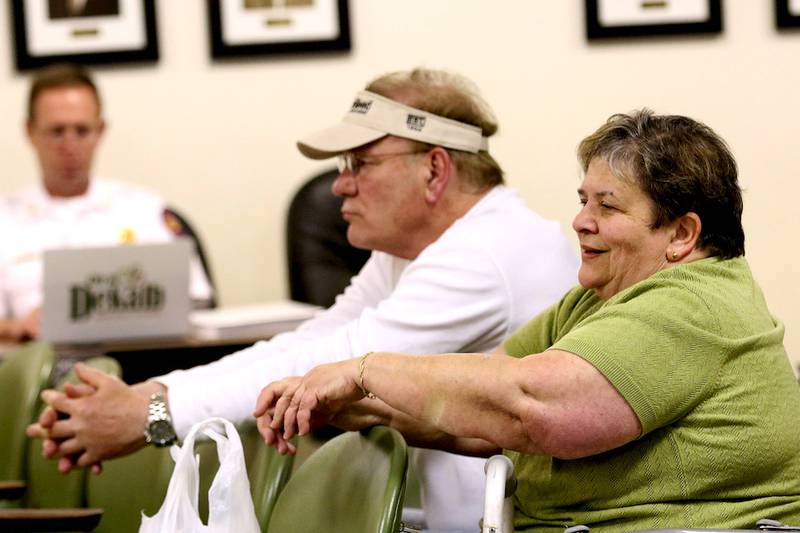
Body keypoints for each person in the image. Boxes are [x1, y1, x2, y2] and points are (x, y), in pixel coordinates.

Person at [27, 68, 579, 532]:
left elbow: (333, 365)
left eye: (359, 164)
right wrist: (153, 395)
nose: (339, 185)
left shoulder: (485, 253)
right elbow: (310, 342)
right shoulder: (417, 250)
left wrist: (148, 414)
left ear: (434, 169)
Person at [256, 109, 800, 532]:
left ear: (682, 234)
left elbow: (531, 406)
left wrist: (365, 371)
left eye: (607, 208)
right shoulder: (597, 299)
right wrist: (357, 410)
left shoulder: (694, 304)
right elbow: (479, 407)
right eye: (583, 200)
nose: (580, 221)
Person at [0, 63, 212, 341]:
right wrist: (16, 328)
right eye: (57, 131)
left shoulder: (144, 210)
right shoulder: (5, 220)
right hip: (38, 365)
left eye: (82, 130)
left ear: (101, 130)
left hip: (142, 362)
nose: (69, 145)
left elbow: (199, 300)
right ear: (30, 132)